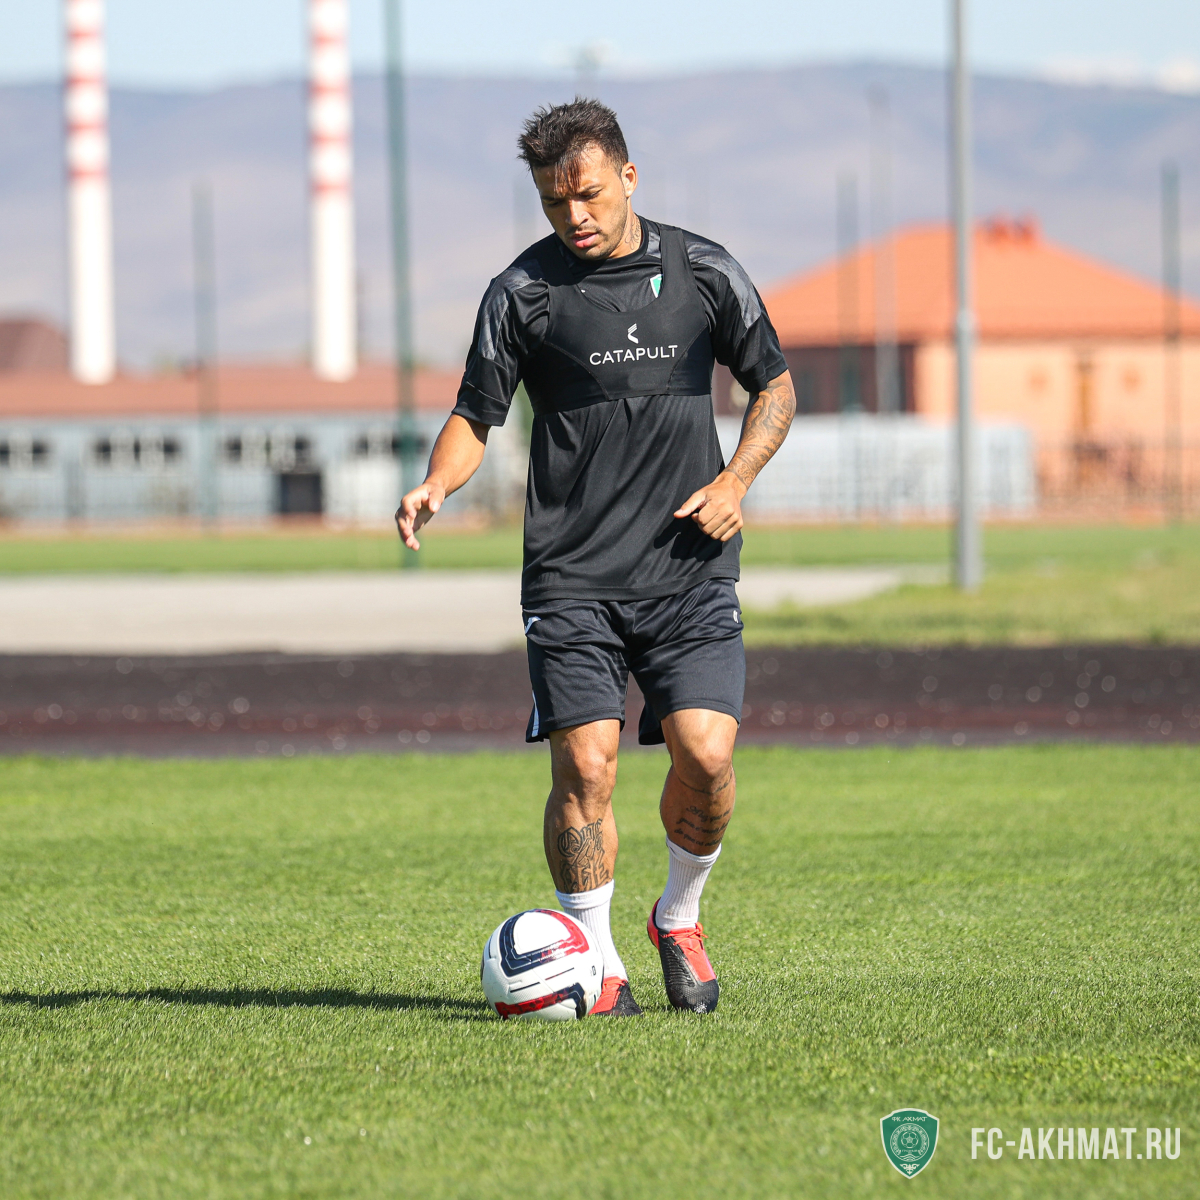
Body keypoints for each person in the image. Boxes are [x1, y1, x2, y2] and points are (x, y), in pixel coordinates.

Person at [397, 98, 795, 1016]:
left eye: (586, 194)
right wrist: (436, 483)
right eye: (552, 201)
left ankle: (678, 917)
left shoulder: (703, 271)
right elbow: (474, 415)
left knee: (707, 754)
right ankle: (600, 960)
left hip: (689, 565)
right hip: (571, 576)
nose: (572, 215)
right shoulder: (522, 293)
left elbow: (773, 386)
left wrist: (735, 481)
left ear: (628, 176)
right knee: (586, 769)